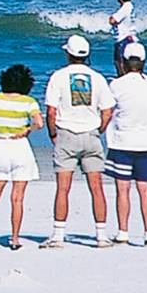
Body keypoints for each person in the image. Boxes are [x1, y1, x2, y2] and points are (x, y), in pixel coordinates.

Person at [42, 34, 114, 248]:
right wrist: (98, 130)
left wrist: (53, 133)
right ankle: (101, 235)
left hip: (66, 134)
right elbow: (108, 111)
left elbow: (51, 111)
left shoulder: (58, 76)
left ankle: (58, 235)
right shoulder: (98, 78)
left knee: (63, 188)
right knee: (97, 187)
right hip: (91, 134)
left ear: (68, 53)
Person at [0, 64, 41, 250]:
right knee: (17, 198)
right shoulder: (29, 102)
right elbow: (39, 123)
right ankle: (15, 239)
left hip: (1, 146)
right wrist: (27, 131)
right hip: (20, 147)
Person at [105, 41, 147, 247]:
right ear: (143, 62)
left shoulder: (117, 85)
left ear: (124, 62)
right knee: (145, 189)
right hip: (145, 144)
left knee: (123, 189)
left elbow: (109, 109)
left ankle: (123, 232)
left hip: (122, 142)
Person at [108, 0, 136, 71]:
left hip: (123, 38)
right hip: (129, 37)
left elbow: (113, 20)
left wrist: (110, 18)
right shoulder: (130, 6)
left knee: (120, 63)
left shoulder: (125, 8)